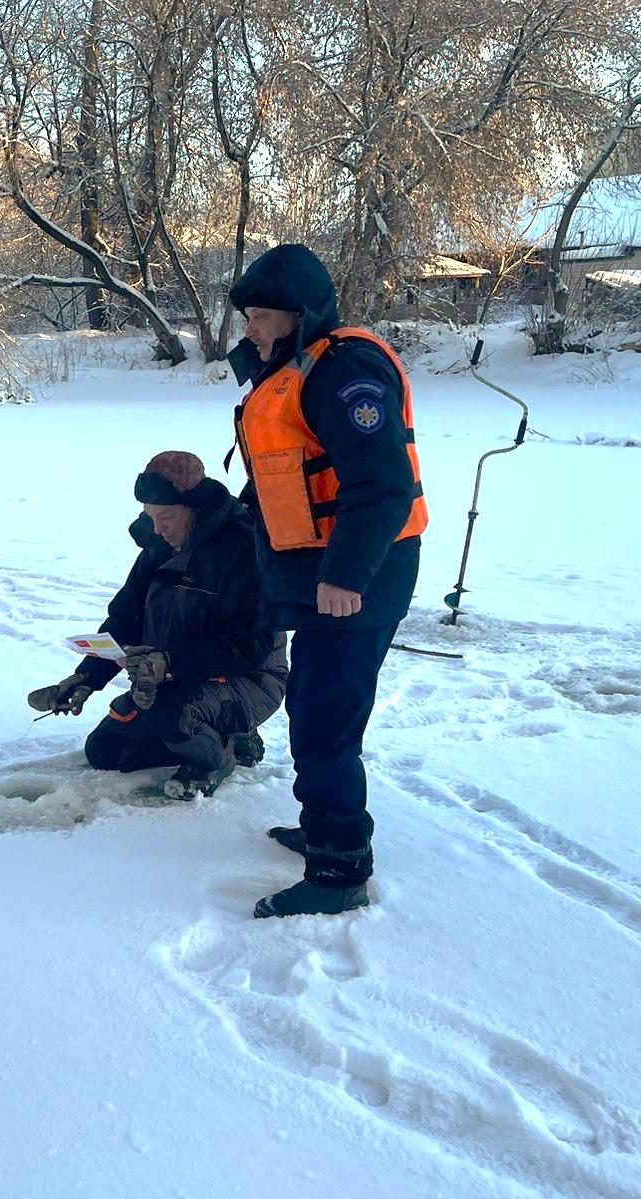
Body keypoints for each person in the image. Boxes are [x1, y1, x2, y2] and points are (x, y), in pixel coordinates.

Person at [226, 244, 427, 918]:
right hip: (325, 571)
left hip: (360, 573)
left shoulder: (345, 370)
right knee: (315, 703)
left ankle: (339, 870)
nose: (249, 328)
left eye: (259, 315)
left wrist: (345, 577)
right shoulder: (294, 367)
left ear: (297, 314)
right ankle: (325, 828)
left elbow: (384, 486)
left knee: (325, 722)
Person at [28, 451, 288, 799]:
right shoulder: (158, 548)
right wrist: (86, 678)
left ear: (194, 509)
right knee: (105, 751)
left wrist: (169, 662)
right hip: (173, 679)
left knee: (172, 713)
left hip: (251, 679)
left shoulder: (243, 549)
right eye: (150, 517)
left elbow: (250, 646)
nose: (157, 527)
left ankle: (219, 756)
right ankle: (213, 734)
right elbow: (124, 621)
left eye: (165, 517)